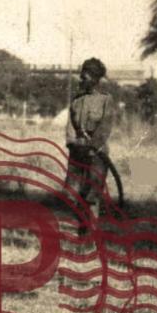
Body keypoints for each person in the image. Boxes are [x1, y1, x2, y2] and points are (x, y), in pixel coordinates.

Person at [65, 57, 116, 222]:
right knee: (73, 193)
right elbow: (70, 125)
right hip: (78, 151)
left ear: (95, 79)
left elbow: (105, 126)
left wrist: (93, 146)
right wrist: (73, 143)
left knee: (92, 194)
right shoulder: (76, 101)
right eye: (81, 76)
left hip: (97, 153)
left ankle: (90, 234)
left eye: (84, 77)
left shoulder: (105, 100)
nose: (81, 80)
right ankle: (82, 227)